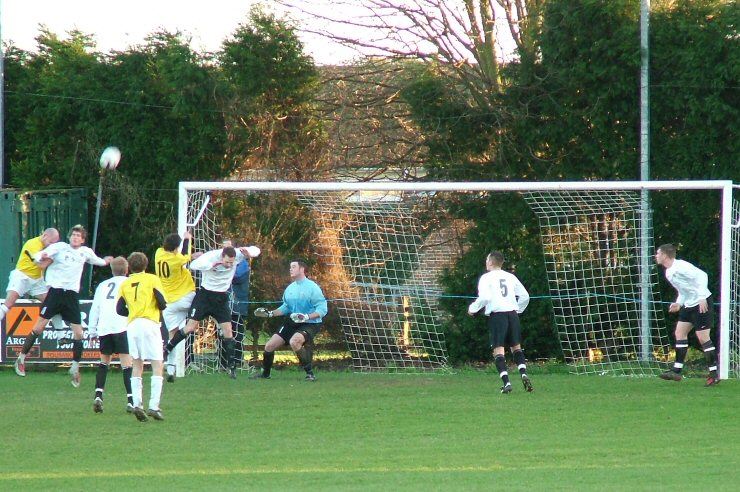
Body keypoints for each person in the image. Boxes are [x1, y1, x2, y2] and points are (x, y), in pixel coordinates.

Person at [14, 225, 112, 387]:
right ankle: (21, 359)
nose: (74, 237)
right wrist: (42, 255)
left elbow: (98, 261)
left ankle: (74, 368)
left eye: (78, 236)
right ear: (69, 237)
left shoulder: (85, 252)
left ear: (82, 239)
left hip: (71, 296)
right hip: (55, 293)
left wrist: (107, 261)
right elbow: (41, 255)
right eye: (73, 235)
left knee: (79, 334)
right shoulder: (60, 247)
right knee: (38, 328)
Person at [163, 245, 257, 379]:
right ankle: (168, 348)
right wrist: (211, 265)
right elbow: (194, 265)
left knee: (228, 332)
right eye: (226, 262)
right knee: (190, 327)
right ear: (221, 257)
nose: (229, 265)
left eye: (232, 262)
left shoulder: (238, 254)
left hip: (221, 298)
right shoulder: (212, 256)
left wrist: (249, 252)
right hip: (205, 297)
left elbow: (256, 250)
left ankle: (231, 367)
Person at [468, 251, 533, 394]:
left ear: (491, 262)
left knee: (498, 350)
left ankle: (507, 383)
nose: (485, 262)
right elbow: (525, 296)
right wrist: (518, 310)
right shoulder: (510, 277)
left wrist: (473, 309)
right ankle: (523, 374)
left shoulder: (486, 278)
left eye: (486, 260)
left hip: (497, 315)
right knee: (516, 347)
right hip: (512, 314)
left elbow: (485, 297)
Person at [252, 259, 328, 382]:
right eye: (290, 267)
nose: (290, 269)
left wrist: (307, 317)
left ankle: (310, 374)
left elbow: (322, 309)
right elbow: (286, 307)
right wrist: (271, 313)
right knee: (269, 345)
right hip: (293, 322)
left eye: (293, 267)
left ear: (302, 269)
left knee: (295, 341)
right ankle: (265, 374)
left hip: (310, 323)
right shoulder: (290, 288)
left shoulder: (312, 288)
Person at [655, 243, 719, 386]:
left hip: (702, 302)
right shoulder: (669, 272)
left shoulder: (681, 266)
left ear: (665, 255)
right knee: (680, 332)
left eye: (658, 253)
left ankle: (714, 374)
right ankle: (676, 371)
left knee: (703, 338)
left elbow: (702, 276)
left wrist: (702, 296)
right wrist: (679, 303)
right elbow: (683, 290)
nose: (656, 256)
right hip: (689, 304)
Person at [116, 252, 168, 421]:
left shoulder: (125, 284)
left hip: (133, 325)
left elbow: (119, 309)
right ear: (146, 265)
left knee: (137, 365)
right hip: (150, 323)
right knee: (156, 364)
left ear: (129, 266)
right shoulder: (152, 279)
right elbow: (162, 302)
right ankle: (154, 406)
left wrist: (133, 310)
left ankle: (138, 404)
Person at [88, 256, 134, 414]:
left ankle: (98, 396)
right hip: (122, 326)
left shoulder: (102, 285)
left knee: (104, 363)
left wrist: (92, 330)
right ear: (127, 270)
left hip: (105, 327)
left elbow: (95, 308)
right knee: (127, 364)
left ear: (112, 270)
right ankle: (131, 400)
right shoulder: (129, 283)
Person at [155, 230, 202, 382]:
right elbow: (184, 256)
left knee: (172, 336)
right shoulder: (177, 260)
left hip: (169, 303)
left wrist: (189, 256)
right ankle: (221, 328)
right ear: (176, 247)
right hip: (185, 298)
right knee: (207, 306)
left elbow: (183, 257)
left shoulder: (158, 253)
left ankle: (170, 369)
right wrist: (188, 240)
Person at [0, 228, 60, 322]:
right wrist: (53, 258)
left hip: (37, 280)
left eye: (54, 243)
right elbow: (41, 265)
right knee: (9, 303)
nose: (52, 245)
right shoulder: (32, 244)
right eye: (51, 242)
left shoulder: (49, 248)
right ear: (45, 236)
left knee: (52, 305)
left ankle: (60, 336)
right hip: (22, 276)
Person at [219, 240, 251, 371]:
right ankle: (222, 363)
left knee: (237, 334)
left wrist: (224, 268)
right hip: (222, 303)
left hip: (237, 305)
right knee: (222, 334)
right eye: (223, 248)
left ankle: (237, 361)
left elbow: (237, 276)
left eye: (228, 247)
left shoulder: (242, 264)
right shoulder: (219, 263)